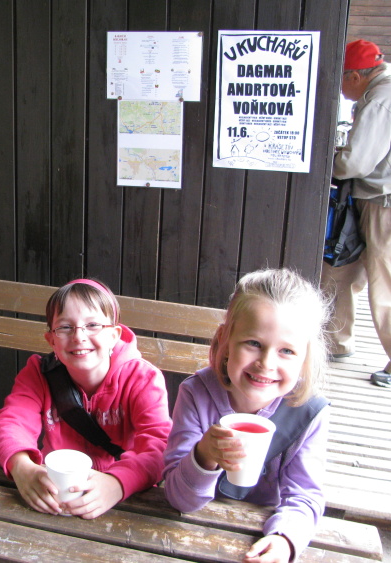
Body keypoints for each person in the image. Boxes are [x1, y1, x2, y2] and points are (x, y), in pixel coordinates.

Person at [163, 269, 330, 563]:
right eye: (254, 343)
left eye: (287, 351)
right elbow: (179, 499)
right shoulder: (197, 394)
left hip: (259, 537)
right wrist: (203, 455)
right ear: (225, 341)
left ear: (305, 359)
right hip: (191, 532)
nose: (266, 363)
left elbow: (304, 496)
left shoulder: (308, 412)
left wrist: (285, 538)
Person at [0, 279, 171, 519]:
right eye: (65, 327)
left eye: (93, 325)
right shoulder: (38, 374)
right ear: (51, 340)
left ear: (114, 335)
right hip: (54, 494)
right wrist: (22, 467)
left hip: (125, 499)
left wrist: (117, 483)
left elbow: (159, 444)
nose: (79, 336)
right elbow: (11, 423)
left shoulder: (142, 378)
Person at [321, 39, 391, 388]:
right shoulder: (379, 94)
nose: (341, 89)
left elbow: (357, 162)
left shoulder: (380, 99)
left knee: (384, 283)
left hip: (383, 204)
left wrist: (327, 163)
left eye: (341, 80)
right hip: (370, 200)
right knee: (345, 268)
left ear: (355, 76)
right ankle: (337, 341)